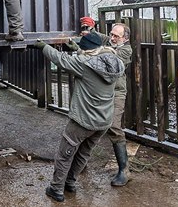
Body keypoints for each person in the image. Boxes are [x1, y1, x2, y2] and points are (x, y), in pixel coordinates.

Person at [33, 32, 125, 202]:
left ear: (87, 50)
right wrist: (77, 48)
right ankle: (70, 182)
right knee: (84, 153)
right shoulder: (113, 61)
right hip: (104, 121)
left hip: (84, 121)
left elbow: (61, 59)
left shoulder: (85, 65)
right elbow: (90, 57)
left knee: (64, 154)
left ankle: (56, 189)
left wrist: (44, 47)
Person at [76, 16, 133, 186]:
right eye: (112, 35)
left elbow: (108, 59)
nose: (113, 38)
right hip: (100, 92)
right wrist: (89, 29)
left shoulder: (125, 51)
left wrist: (89, 49)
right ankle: (81, 162)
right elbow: (99, 37)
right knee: (89, 123)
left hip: (116, 93)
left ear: (125, 39)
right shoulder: (110, 40)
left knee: (114, 127)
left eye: (117, 36)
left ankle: (124, 170)